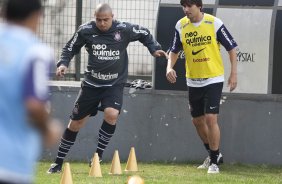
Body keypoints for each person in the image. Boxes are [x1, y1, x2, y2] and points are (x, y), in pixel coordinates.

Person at [47, 3, 168, 173]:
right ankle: (58, 162)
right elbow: (70, 48)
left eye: (106, 20)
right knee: (76, 123)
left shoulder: (124, 29)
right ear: (94, 18)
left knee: (112, 114)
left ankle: (97, 156)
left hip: (114, 85)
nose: (102, 23)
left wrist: (154, 49)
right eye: (99, 20)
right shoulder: (85, 30)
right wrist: (63, 64)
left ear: (113, 17)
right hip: (91, 85)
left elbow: (145, 33)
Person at [166, 0, 238, 174]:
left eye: (189, 6)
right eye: (183, 6)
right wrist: (169, 67)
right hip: (193, 80)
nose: (186, 9)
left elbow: (232, 48)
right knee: (197, 121)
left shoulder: (214, 23)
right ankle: (214, 154)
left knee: (211, 118)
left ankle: (213, 163)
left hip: (213, 78)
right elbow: (174, 50)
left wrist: (233, 73)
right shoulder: (181, 25)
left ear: (199, 6)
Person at [0, 0, 61, 183]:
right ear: (36, 17)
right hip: (10, 161)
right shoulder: (35, 52)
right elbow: (34, 105)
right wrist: (47, 129)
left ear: (4, 13)